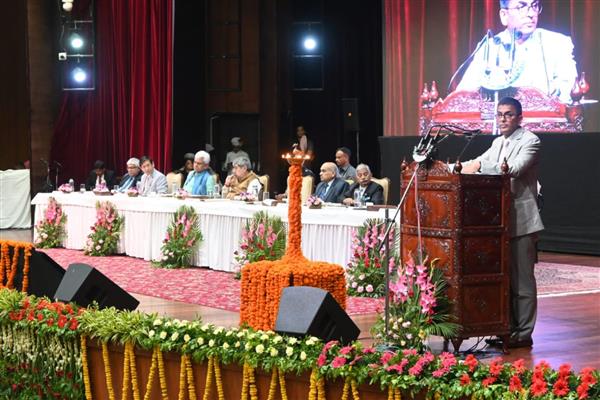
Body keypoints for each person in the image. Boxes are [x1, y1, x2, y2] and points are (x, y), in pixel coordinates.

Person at [462, 97, 544, 348]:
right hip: (496, 224)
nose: (503, 119)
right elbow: (477, 161)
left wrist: (478, 165)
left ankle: (523, 333)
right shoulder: (498, 142)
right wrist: (451, 167)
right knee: (503, 280)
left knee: (522, 282)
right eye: (499, 114)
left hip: (521, 222)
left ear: (519, 117)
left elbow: (513, 169)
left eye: (508, 114)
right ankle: (506, 328)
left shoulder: (530, 140)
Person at [455, 0, 577, 103]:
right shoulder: (489, 47)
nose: (531, 13)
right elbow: (464, 95)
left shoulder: (558, 43)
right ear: (504, 16)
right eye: (521, 7)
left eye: (534, 6)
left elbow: (569, 91)